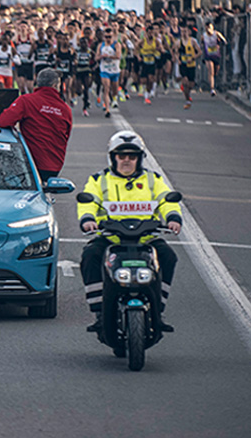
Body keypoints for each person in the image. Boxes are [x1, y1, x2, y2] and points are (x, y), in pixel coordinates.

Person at [78, 131, 182, 336]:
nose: (126, 160)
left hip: (146, 239)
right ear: (113, 157)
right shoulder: (99, 180)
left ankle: (158, 311)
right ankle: (99, 313)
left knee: (169, 257)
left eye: (132, 156)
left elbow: (166, 200)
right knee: (89, 256)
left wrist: (173, 218)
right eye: (121, 156)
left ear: (140, 158)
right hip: (111, 238)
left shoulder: (153, 179)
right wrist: (87, 220)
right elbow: (88, 201)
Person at [0, 68, 73, 182]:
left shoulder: (26, 101)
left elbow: (2, 122)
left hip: (30, 164)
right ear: (56, 85)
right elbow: (66, 135)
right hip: (54, 166)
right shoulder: (65, 109)